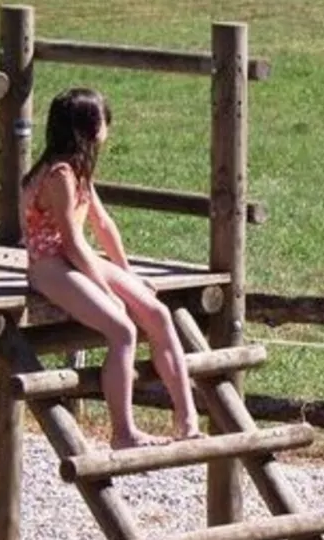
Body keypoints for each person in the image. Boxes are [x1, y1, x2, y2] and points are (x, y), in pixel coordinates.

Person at [22, 87, 202, 448]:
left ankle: (187, 417)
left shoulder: (79, 169)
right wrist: (107, 291)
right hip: (50, 264)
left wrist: (127, 274)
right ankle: (124, 432)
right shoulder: (59, 175)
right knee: (121, 330)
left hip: (77, 257)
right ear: (88, 128)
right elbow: (71, 243)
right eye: (105, 120)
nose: (108, 128)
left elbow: (102, 226)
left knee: (157, 313)